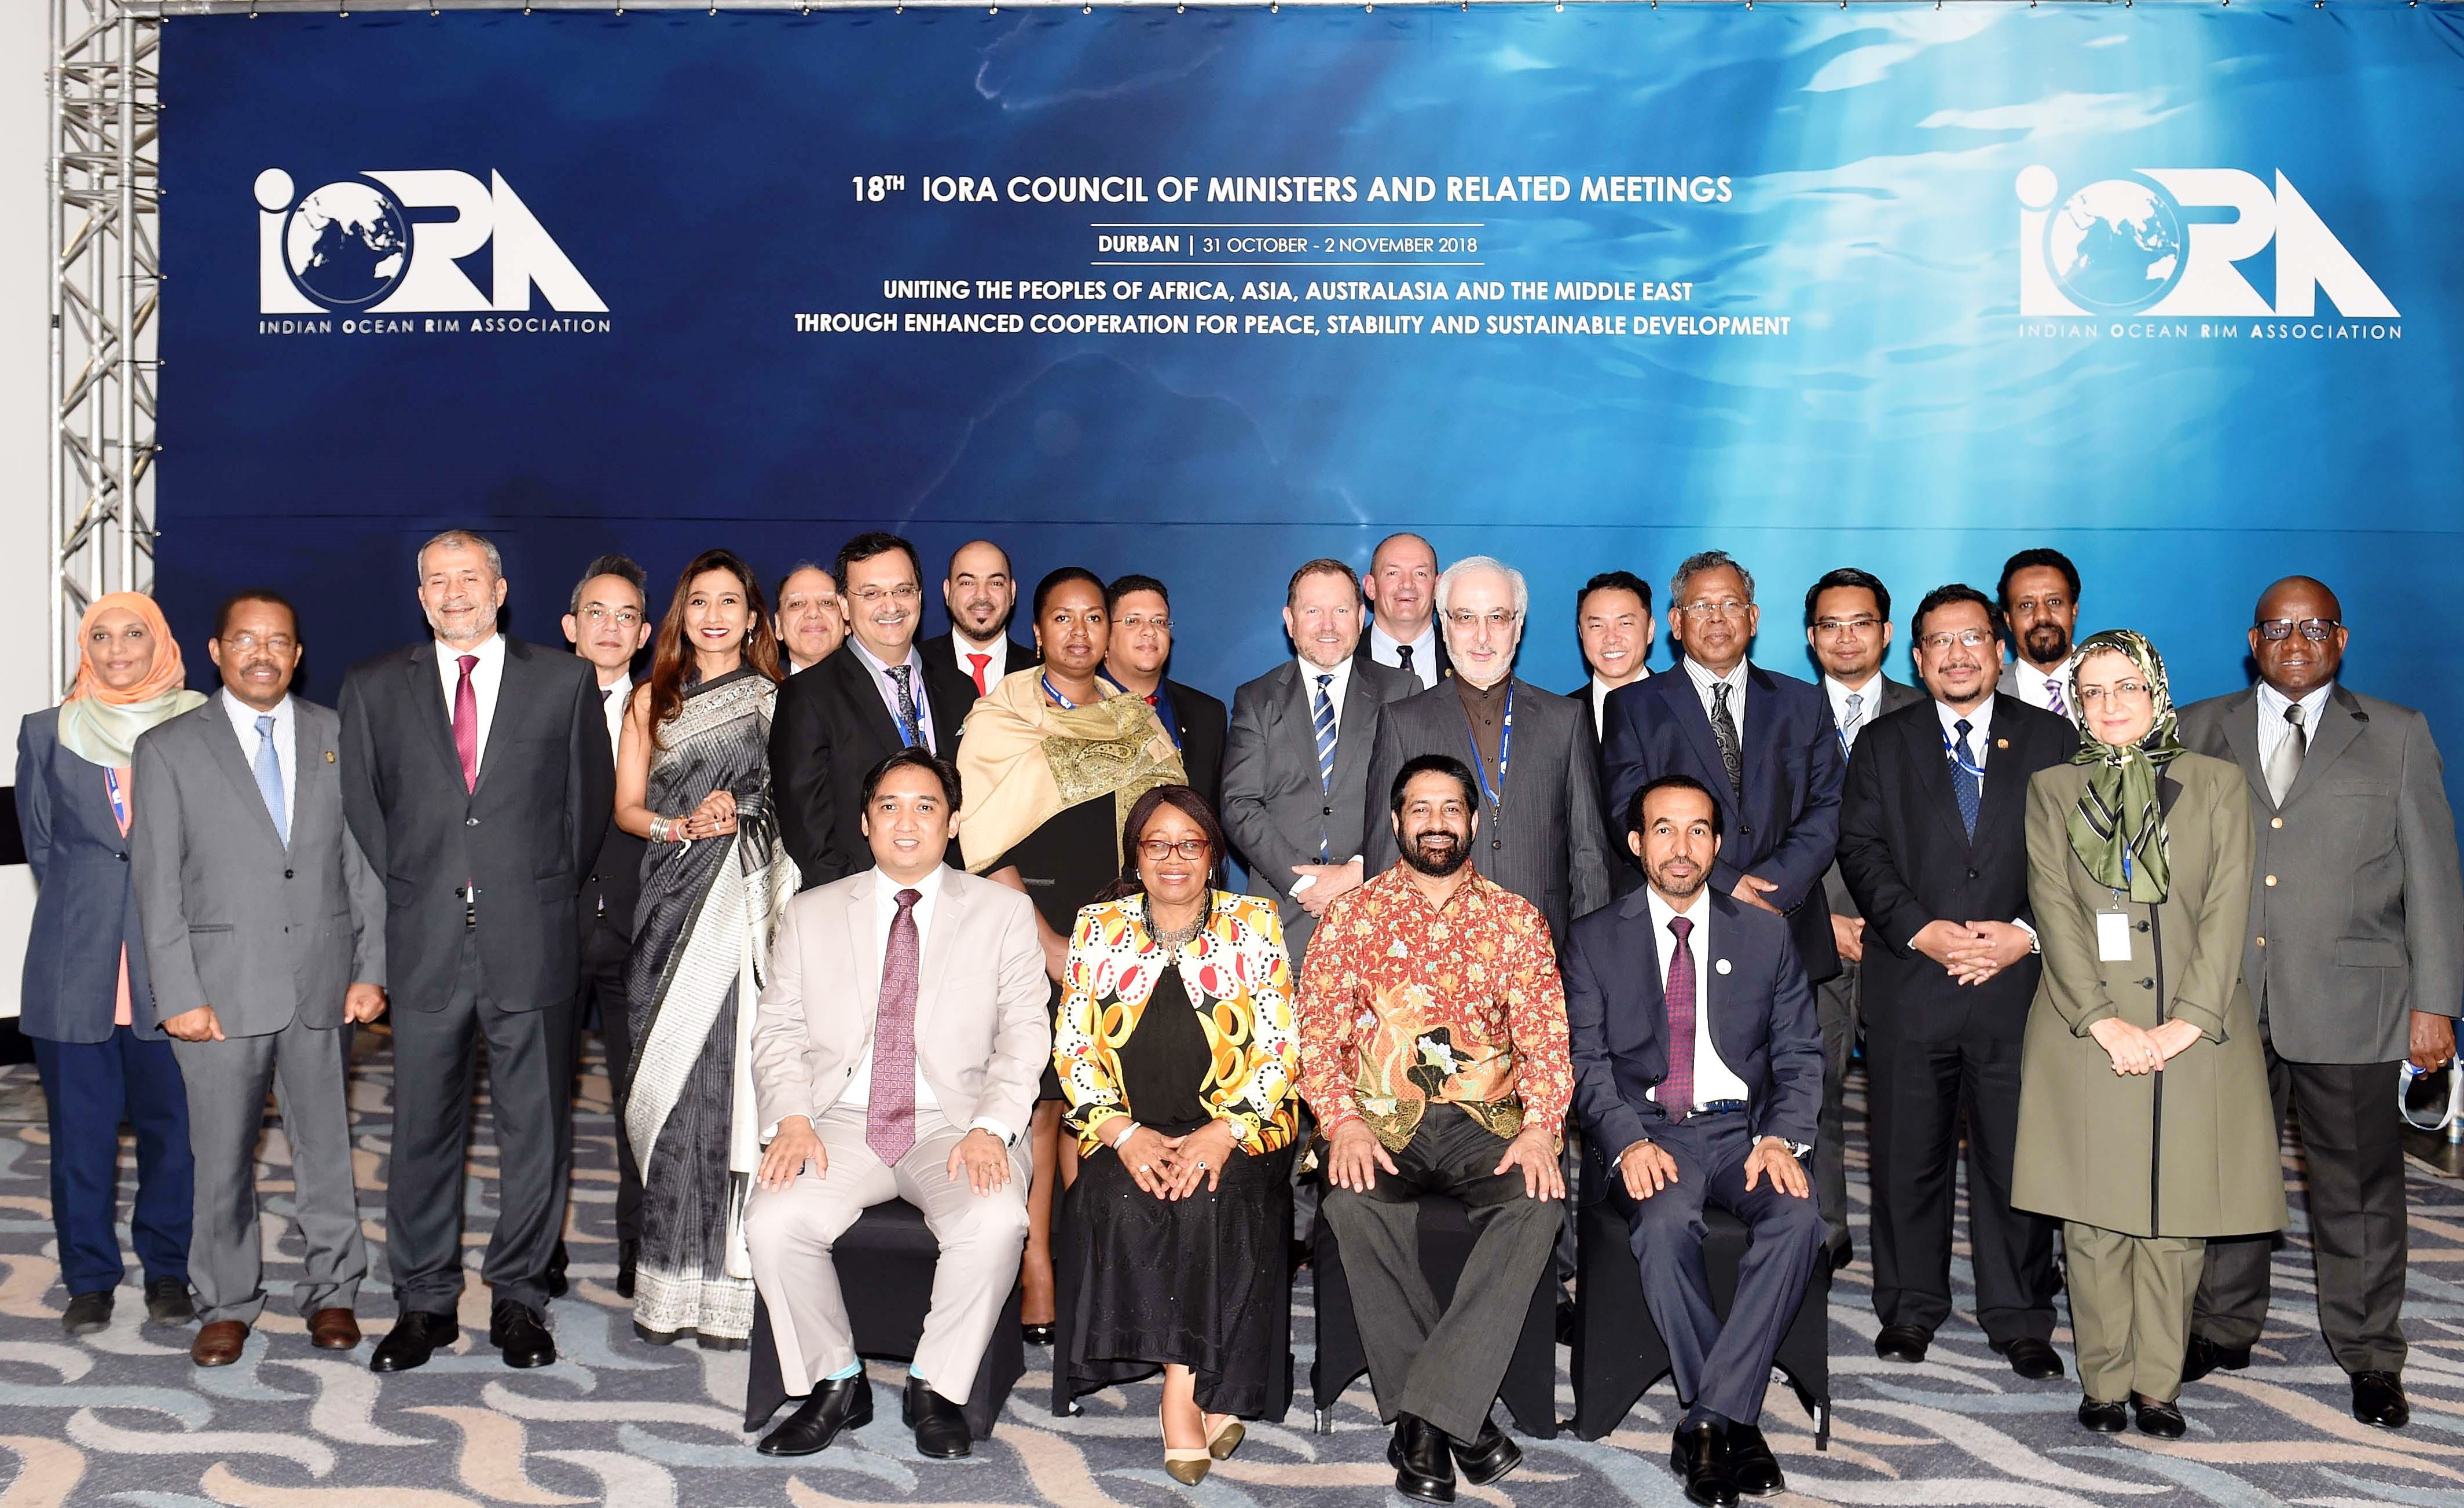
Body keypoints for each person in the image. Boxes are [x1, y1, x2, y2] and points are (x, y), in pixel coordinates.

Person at [2179, 576, 2464, 1430]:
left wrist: (2437, 1003)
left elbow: (2434, 881)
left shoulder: (2399, 734)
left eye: (2314, 627)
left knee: (2360, 1189)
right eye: (2278, 627)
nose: (2295, 640)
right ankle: (2223, 1326)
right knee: (2228, 1177)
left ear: (2341, 640)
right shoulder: (2197, 729)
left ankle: (2372, 1353)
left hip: (2354, 1005)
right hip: (2223, 1002)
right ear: (2253, 640)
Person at [338, 529, 613, 1373]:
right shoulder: (375, 687)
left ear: (501, 589)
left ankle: (521, 1299)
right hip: (424, 942)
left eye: (469, 576)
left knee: (537, 1131)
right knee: (421, 1129)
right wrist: (433, 885)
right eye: (436, 580)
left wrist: (522, 891)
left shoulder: (563, 683)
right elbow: (365, 808)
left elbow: (586, 809)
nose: (454, 591)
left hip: (530, 938)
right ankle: (423, 1304)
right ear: (420, 597)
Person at [2012, 629, 2284, 1439]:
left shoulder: (2217, 783)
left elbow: (2228, 908)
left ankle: (2158, 1385)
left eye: (2125, 686)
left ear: (2157, 690)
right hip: (2083, 1031)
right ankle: (2103, 1381)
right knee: (2093, 1221)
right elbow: (2054, 914)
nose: (2109, 705)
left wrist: (2183, 1025)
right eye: (2091, 692)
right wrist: (2102, 1020)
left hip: (2196, 1033)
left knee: (2176, 1220)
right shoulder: (2054, 789)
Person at [743, 747, 1047, 1460]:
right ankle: (834, 1382)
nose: (905, 823)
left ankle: (935, 1386)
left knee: (997, 1218)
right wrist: (790, 1118)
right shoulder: (813, 912)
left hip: (955, 1123)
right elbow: (777, 1028)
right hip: (840, 1122)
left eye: (924, 806)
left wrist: (989, 1128)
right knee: (773, 1217)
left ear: (952, 821)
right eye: (888, 806)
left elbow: (1026, 1036)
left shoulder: (1004, 913)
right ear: (864, 821)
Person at [1300, 754, 1569, 1506]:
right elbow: (1316, 1037)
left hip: (1490, 1120)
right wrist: (1344, 1124)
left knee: (1537, 1202)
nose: (1437, 822)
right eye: (1420, 808)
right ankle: (1464, 1425)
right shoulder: (1352, 917)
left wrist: (1543, 1128)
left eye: (1451, 807)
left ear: (1474, 822)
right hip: (1381, 1119)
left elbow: (1548, 1039)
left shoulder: (1516, 920)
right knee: (1351, 1205)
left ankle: (1425, 1418)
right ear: (1396, 822)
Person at [130, 589, 386, 1366]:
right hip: (216, 992)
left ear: (298, 654)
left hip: (321, 984)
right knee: (220, 1157)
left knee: (327, 1151)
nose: (263, 653)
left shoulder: (336, 735)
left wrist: (370, 968)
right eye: (246, 640)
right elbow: (157, 886)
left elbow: (361, 866)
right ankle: (226, 1302)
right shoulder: (169, 748)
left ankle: (334, 1291)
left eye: (278, 641)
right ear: (217, 651)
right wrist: (178, 995)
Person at [1564, 775, 1825, 1507]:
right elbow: (1582, 1063)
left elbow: (1800, 1053)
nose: (1681, 848)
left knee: (1798, 1219)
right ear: (1635, 841)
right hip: (1648, 1131)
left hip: (1741, 1131)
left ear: (1717, 842)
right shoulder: (1592, 938)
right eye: (1664, 830)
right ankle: (1736, 1419)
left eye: (1698, 831)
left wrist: (1781, 1137)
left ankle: (1710, 1419)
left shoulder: (1764, 932)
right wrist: (1622, 1141)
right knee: (1662, 1222)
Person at [1835, 585, 2071, 1379]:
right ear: (1918, 656)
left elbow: (2075, 859)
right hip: (1914, 984)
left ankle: (2021, 1314)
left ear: (1999, 649)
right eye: (1940, 642)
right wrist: (1922, 930)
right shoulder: (1882, 743)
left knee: (2017, 1163)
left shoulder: (2053, 739)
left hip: (2016, 986)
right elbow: (1862, 851)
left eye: (1973, 638)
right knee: (1907, 1160)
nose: (1958, 654)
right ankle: (1909, 1306)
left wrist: (2025, 932)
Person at [958, 566, 1186, 1345]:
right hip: (1028, 922)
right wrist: (1048, 941)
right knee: (1046, 1101)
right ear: (1039, 626)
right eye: (1064, 618)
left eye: (1095, 619)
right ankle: (1039, 1267)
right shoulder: (1002, 714)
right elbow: (983, 835)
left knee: (1114, 1102)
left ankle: (1102, 1264)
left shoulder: (1136, 719)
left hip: (1122, 930)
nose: (1080, 633)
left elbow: (1171, 830)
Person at [1052, 786, 1300, 1484]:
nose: (1173, 859)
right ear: (1135, 855)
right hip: (1126, 1127)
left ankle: (1179, 1391)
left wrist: (1223, 1132)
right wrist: (1122, 1133)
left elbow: (1281, 1047)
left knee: (1208, 1199)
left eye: (1189, 845)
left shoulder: (1252, 920)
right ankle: (1203, 1385)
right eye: (1156, 844)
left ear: (1213, 855)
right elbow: (1073, 1048)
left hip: (1238, 1126)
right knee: (1125, 1199)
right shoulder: (1097, 926)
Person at [615, 549, 797, 1348]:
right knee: (674, 1090)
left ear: (755, 616)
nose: (715, 616)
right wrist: (679, 826)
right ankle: (664, 1287)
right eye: (699, 602)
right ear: (680, 615)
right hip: (668, 907)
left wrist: (746, 810)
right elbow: (626, 807)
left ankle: (730, 1286)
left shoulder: (778, 702)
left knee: (731, 1092)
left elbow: (794, 807)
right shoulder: (650, 700)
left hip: (746, 915)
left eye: (731, 602)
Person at [16, 592, 205, 1335]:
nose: (118, 647)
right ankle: (88, 1277)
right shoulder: (45, 732)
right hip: (76, 967)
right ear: (83, 647)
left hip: (177, 974)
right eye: (101, 634)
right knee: (80, 1137)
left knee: (175, 1135)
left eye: (134, 632)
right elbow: (43, 845)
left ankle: (168, 1271)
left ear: (160, 640)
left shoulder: (203, 723)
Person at [1601, 550, 1846, 989]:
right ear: (1676, 623)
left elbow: (1828, 807)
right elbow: (1628, 816)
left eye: (1731, 604)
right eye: (1701, 607)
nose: (1717, 618)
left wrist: (1770, 889)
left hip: (1787, 925)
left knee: (1796, 1059)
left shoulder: (1804, 704)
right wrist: (1728, 885)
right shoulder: (1633, 707)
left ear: (1753, 618)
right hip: (1679, 925)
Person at [1365, 556, 1612, 946]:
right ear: (1444, 625)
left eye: (1497, 618)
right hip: (1436, 957)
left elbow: (1589, 858)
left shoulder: (1565, 719)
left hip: (1544, 955)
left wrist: (1592, 966)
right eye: (1465, 618)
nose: (1482, 636)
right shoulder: (1402, 721)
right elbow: (1382, 861)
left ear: (1518, 627)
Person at [1802, 567, 1923, 1271]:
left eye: (1860, 623)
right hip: (1809, 935)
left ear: (1886, 632)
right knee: (1810, 1090)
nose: (1845, 638)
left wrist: (1892, 923)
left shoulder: (1928, 709)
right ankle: (1822, 1229)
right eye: (1829, 625)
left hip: (1903, 940)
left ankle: (1906, 1248)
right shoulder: (1782, 714)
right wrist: (1819, 921)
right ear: (1811, 636)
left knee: (1907, 1104)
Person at [1221, 558, 1418, 963]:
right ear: (1290, 620)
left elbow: (1413, 798)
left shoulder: (1402, 690)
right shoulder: (1256, 698)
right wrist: (1303, 883)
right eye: (1313, 611)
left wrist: (1357, 872)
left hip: (1378, 916)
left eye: (1341, 611)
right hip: (1279, 922)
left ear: (1361, 617)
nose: (1328, 625)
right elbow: (1238, 804)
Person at [770, 532, 976, 887]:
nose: (891, 605)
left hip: (955, 900)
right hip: (858, 907)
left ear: (920, 596)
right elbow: (809, 835)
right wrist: (866, 906)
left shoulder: (960, 689)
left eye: (903, 590)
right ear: (845, 606)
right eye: (871, 593)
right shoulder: (807, 696)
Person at [560, 553, 653, 1300]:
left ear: (646, 631)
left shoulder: (666, 711)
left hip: (639, 932)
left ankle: (638, 1245)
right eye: (597, 612)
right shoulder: (526, 705)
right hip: (546, 933)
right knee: (540, 1105)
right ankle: (538, 1247)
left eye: (626, 615)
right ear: (571, 626)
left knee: (640, 1103)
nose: (611, 626)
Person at [1101, 573, 1227, 808]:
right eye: (1133, 621)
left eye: (1159, 621)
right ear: (1106, 634)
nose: (1149, 631)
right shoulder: (1076, 707)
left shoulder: (1208, 715)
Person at [932, 538, 1037, 696]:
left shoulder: (1039, 673)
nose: (982, 596)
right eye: (968, 583)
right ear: (947, 591)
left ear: (1012, 591)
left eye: (995, 583)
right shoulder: (916, 666)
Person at [1571, 570, 1656, 749]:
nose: (1611, 638)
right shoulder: (1558, 719)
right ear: (1581, 633)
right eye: (1597, 626)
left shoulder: (1686, 707)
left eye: (1625, 624)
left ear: (1650, 630)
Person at [1996, 548, 2082, 723]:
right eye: (2026, 605)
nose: (2042, 616)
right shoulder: (1987, 694)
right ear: (2008, 620)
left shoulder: (2116, 683)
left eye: (2054, 602)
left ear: (2074, 612)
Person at [1356, 532, 1451, 689]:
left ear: (1438, 587)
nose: (1407, 584)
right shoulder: (1343, 661)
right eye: (1393, 573)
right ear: (1371, 587)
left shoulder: (1465, 659)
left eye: (1420, 574)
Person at [774, 563, 847, 674]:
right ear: (779, 626)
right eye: (797, 604)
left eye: (827, 603)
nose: (813, 613)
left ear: (848, 623)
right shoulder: (763, 689)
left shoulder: (876, 686)